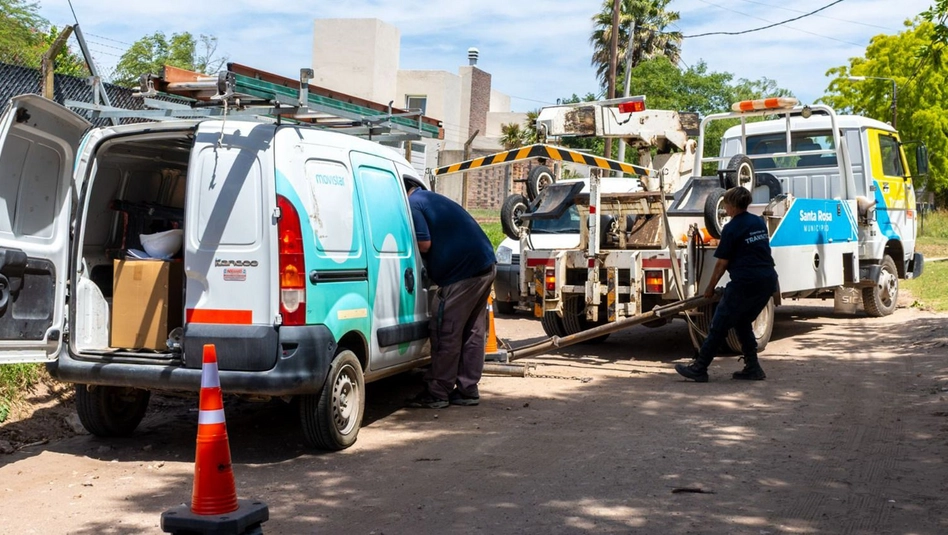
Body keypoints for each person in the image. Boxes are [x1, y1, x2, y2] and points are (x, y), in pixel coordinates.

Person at [406, 185, 497, 408]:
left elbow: (424, 244)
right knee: (472, 332)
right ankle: (467, 389)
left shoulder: (412, 204)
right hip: (485, 265)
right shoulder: (430, 198)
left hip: (462, 274)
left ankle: (437, 391)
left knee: (445, 329)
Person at [676, 187, 778, 382]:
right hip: (767, 280)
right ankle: (753, 368)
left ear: (732, 205)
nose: (725, 209)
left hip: (745, 282)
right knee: (742, 321)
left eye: (726, 205)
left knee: (719, 325)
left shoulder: (731, 228)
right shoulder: (758, 222)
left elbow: (722, 263)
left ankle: (700, 367)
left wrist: (709, 288)